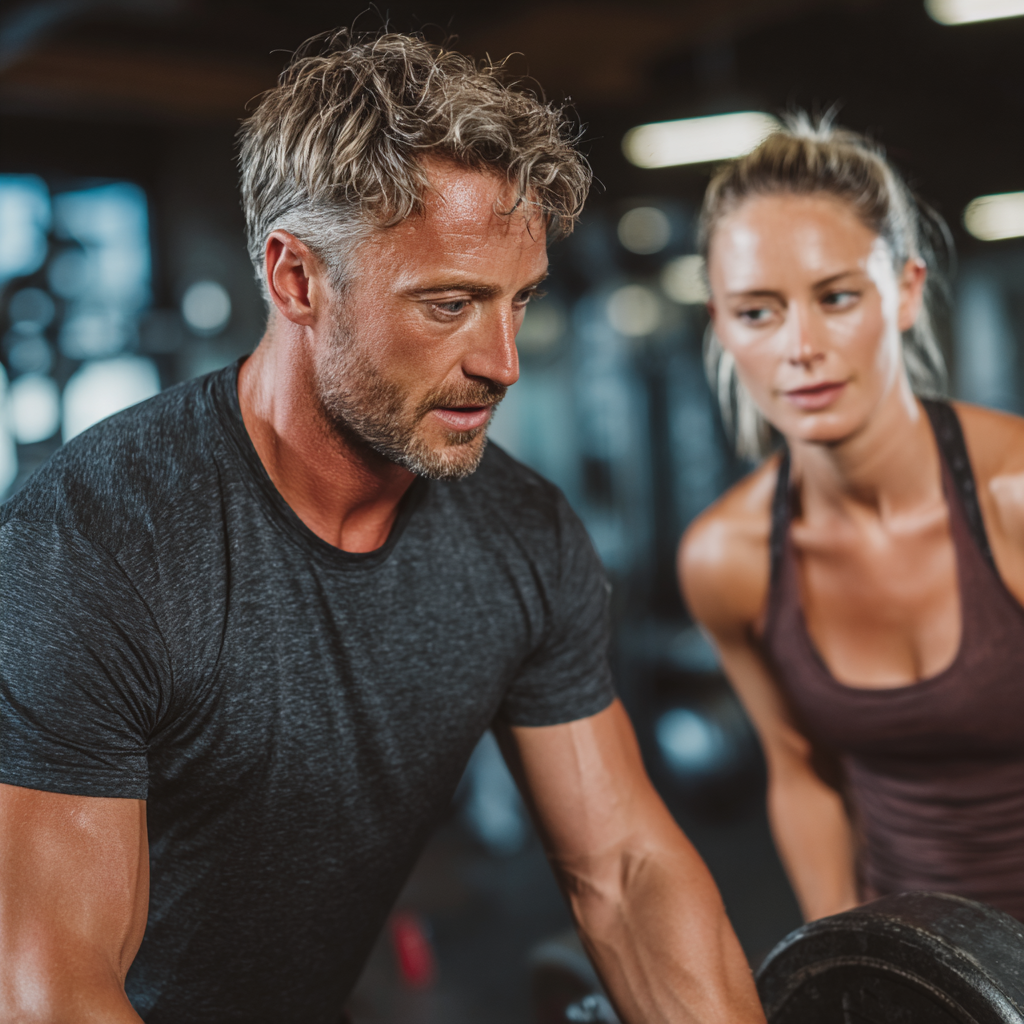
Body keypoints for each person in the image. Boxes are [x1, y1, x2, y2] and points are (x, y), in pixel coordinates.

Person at [0, 29, 765, 1024]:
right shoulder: (99, 539)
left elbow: (624, 868)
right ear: (296, 281)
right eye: (448, 304)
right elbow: (51, 987)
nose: (503, 361)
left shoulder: (521, 533)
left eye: (516, 300)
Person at [680, 116, 1024, 926]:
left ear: (904, 293)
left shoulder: (1013, 500)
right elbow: (801, 773)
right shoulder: (726, 559)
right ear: (721, 324)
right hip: (916, 981)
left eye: (836, 298)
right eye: (757, 312)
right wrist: (842, 968)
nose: (801, 347)